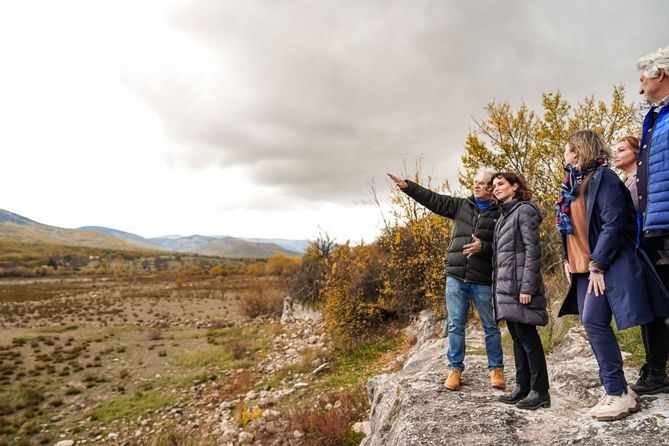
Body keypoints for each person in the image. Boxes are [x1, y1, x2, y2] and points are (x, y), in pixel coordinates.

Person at [557, 130, 656, 421]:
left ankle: (617, 392)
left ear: (577, 151)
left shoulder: (605, 180)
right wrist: (567, 259)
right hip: (580, 269)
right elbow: (569, 227)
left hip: (602, 266)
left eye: (567, 150)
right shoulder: (573, 184)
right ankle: (618, 389)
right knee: (593, 324)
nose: (565, 156)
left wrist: (598, 264)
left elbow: (614, 224)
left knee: (594, 321)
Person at [387, 169, 505, 391]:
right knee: (455, 325)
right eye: (475, 182)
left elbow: (507, 246)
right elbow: (434, 200)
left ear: (491, 188)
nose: (476, 186)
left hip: (483, 278)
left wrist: (484, 247)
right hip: (456, 277)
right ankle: (455, 369)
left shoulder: (501, 213)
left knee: (490, 326)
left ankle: (496, 369)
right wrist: (409, 187)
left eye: (481, 183)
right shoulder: (461, 206)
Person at [491, 172, 550, 410]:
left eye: (501, 184)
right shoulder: (503, 217)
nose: (496, 188)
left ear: (515, 186)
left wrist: (528, 288)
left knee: (529, 339)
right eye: (493, 185)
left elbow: (532, 252)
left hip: (521, 288)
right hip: (508, 289)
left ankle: (540, 391)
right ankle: (523, 387)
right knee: (517, 339)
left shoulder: (524, 211)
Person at [633, 46, 669, 395]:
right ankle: (656, 370)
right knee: (656, 302)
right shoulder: (654, 117)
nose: (640, 86)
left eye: (642, 78)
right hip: (655, 226)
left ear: (660, 74)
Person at [611, 137, 640, 210]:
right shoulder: (622, 183)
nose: (615, 156)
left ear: (636, 151)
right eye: (614, 152)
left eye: (621, 150)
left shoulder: (643, 178)